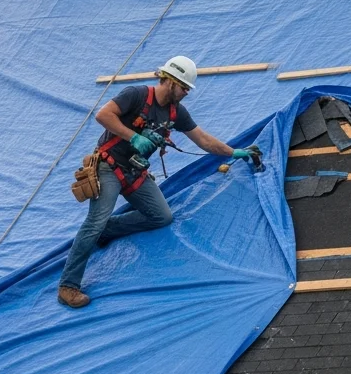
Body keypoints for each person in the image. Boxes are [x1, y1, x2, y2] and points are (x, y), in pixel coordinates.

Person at [57, 55, 256, 308]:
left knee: (161, 216)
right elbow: (103, 115)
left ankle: (108, 229)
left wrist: (235, 152)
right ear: (170, 81)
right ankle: (68, 285)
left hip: (134, 172)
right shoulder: (136, 95)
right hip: (109, 166)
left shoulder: (176, 112)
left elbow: (204, 141)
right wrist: (133, 137)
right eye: (184, 87)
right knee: (94, 221)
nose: (186, 92)